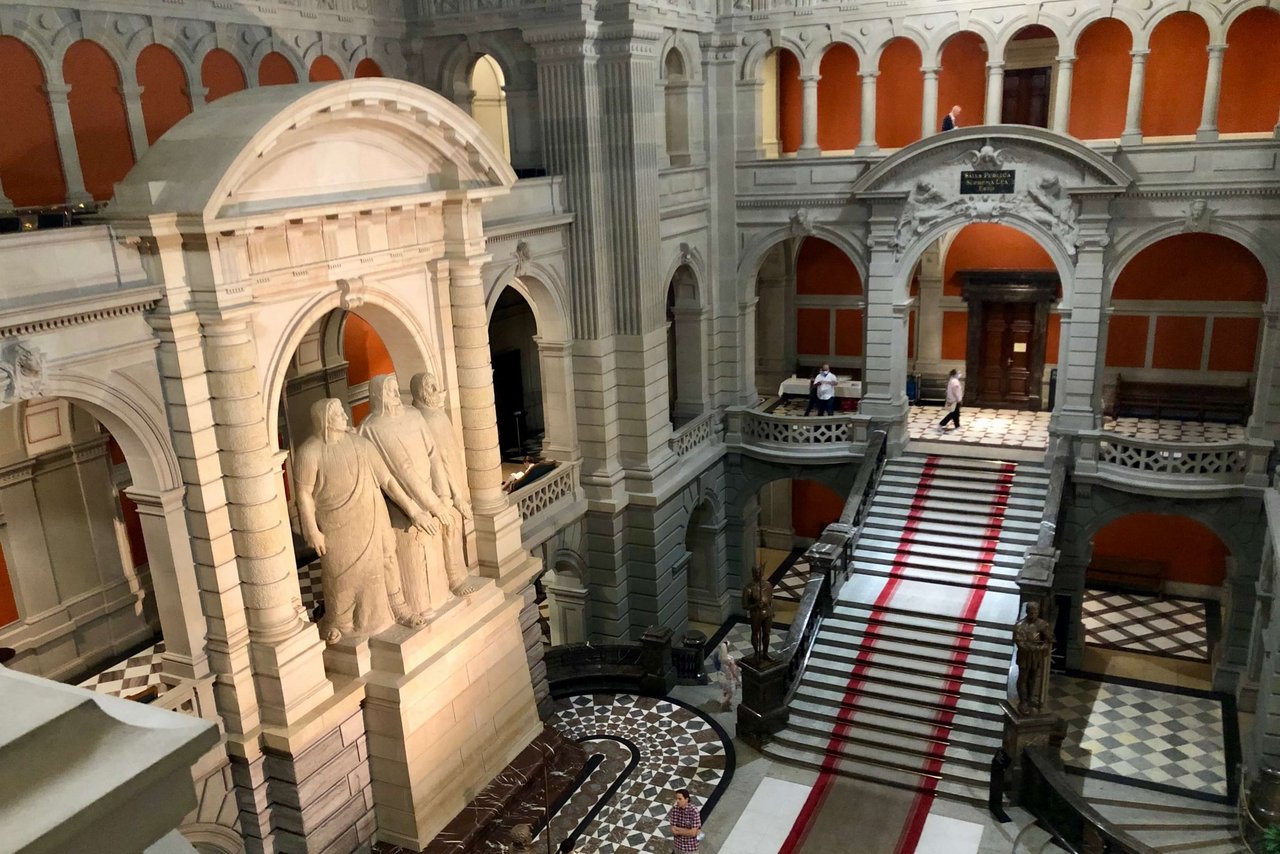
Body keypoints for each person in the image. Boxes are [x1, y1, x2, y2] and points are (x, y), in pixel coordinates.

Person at [294, 399, 435, 643]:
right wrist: (311, 530)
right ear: (326, 418)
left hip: (373, 515)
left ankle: (398, 606)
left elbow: (388, 481)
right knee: (340, 572)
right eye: (339, 414)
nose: (346, 417)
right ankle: (338, 620)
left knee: (387, 559)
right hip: (336, 523)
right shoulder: (310, 452)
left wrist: (414, 511)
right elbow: (303, 494)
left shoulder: (361, 444)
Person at [1014, 602, 1054, 715]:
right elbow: (1021, 643)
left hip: (1036, 656)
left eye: (1035, 612)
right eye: (1031, 612)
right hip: (1024, 655)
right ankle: (1023, 701)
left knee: (1033, 677)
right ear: (1027, 612)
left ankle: (1030, 697)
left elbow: (1050, 638)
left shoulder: (1042, 624)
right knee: (1023, 678)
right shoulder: (1020, 626)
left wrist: (1047, 638)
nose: (1033, 614)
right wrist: (1039, 647)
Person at [668, 788, 702, 852]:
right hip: (678, 847)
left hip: (691, 848)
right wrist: (687, 831)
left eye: (680, 799)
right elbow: (673, 830)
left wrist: (679, 830)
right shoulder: (675, 809)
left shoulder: (693, 811)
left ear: (686, 799)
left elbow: (693, 833)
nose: (677, 801)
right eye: (677, 799)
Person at [714, 640, 741, 712]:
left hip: (720, 676)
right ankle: (722, 705)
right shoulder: (729, 659)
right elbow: (733, 671)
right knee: (730, 693)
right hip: (728, 678)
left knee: (725, 690)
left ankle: (727, 702)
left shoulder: (719, 657)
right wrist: (738, 680)